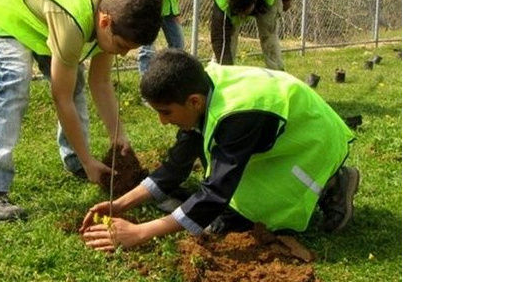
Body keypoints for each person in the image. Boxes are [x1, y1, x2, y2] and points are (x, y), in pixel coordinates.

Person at [81, 48, 358, 252]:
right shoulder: (201, 87)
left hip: (311, 143)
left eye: (165, 112)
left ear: (193, 102)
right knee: (225, 211)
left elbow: (215, 193)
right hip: (279, 134)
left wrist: (141, 232)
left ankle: (334, 183)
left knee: (245, 220)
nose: (162, 121)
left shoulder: (235, 116)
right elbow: (177, 165)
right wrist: (119, 204)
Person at [0, 0, 163, 222]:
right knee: (13, 79)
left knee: (76, 79)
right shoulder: (73, 22)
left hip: (38, 8)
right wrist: (88, 159)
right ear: (104, 22)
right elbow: (62, 99)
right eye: (122, 47)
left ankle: (75, 162)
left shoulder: (115, 11)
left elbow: (101, 83)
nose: (124, 54)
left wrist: (119, 137)